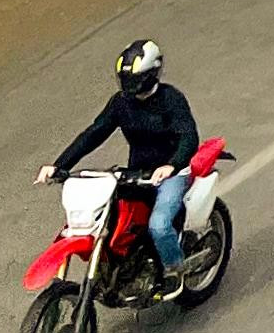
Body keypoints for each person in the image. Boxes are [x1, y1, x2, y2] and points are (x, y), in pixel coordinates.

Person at [42, 39, 202, 300]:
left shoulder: (171, 99)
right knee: (110, 218)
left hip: (172, 174)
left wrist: (172, 166)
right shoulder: (121, 103)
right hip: (136, 173)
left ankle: (174, 269)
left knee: (159, 225)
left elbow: (189, 137)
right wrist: (59, 165)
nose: (130, 86)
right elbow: (94, 133)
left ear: (151, 74)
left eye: (135, 79)